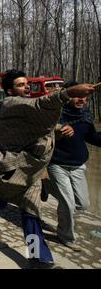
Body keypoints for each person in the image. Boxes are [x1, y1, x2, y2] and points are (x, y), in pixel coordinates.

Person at [0, 69, 95, 268]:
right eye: (21, 84)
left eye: (27, 83)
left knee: (31, 213)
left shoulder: (28, 107)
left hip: (31, 171)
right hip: (9, 170)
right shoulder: (11, 103)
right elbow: (38, 106)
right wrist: (67, 93)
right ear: (10, 91)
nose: (27, 86)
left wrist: (60, 130)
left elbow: (39, 129)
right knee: (0, 203)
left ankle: (38, 257)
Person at [44, 81, 101, 252]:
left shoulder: (85, 116)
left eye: (84, 97)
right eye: (77, 95)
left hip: (78, 165)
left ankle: (46, 186)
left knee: (82, 204)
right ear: (68, 96)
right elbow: (42, 134)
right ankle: (65, 236)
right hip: (57, 164)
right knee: (68, 203)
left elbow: (92, 137)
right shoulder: (56, 114)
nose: (82, 99)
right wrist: (58, 131)